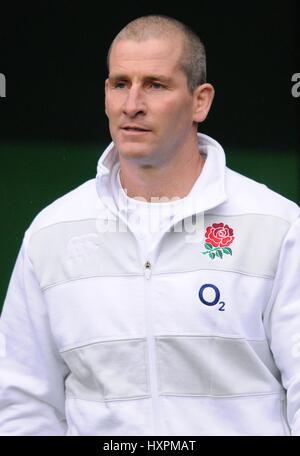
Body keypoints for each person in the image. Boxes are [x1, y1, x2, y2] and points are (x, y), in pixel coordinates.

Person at [0, 14, 299, 437]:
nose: (132, 104)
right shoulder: (51, 231)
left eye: (155, 85)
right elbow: (22, 401)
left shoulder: (278, 226)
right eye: (120, 83)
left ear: (201, 101)